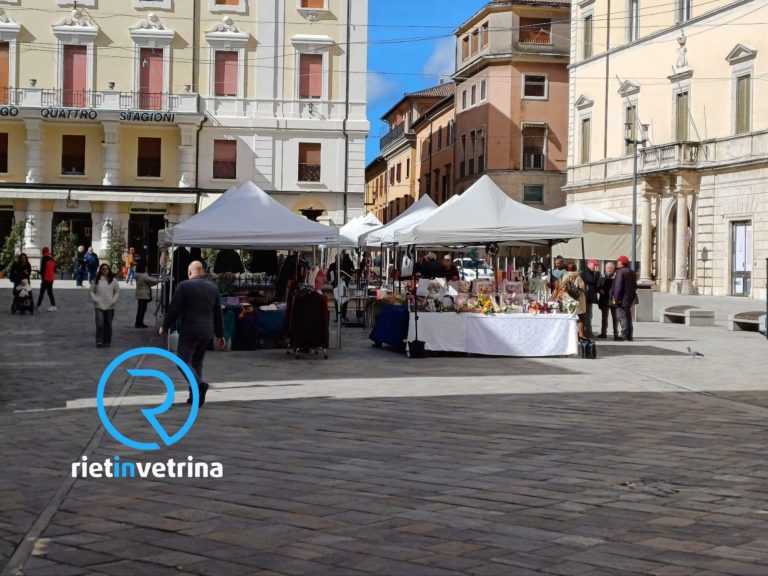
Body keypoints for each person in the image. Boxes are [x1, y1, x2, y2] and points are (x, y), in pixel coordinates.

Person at [160, 261, 225, 407]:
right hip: (207, 331)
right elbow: (218, 313)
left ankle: (199, 386)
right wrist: (220, 335)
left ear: (189, 272)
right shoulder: (213, 287)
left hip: (190, 329)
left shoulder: (184, 286)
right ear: (202, 272)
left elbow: (174, 309)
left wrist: (165, 326)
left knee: (182, 362)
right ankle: (194, 397)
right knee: (197, 362)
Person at [90, 263, 120, 348]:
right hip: (99, 305)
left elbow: (117, 291)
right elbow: (91, 290)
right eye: (103, 269)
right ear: (100, 270)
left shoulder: (113, 280)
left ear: (109, 270)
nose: (105, 270)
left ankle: (107, 341)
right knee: (100, 324)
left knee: (108, 324)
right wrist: (95, 299)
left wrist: (114, 300)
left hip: (110, 305)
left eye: (106, 268)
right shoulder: (96, 280)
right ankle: (99, 341)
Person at [610, 255, 638, 341]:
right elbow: (635, 286)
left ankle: (624, 335)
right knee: (628, 317)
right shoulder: (632, 272)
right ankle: (630, 335)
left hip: (621, 299)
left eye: (618, 261)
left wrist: (616, 299)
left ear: (622, 263)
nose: (617, 263)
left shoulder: (620, 272)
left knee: (622, 317)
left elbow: (618, 286)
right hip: (630, 298)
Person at [560, 262, 587, 341]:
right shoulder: (578, 276)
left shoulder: (564, 276)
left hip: (567, 299)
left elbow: (561, 287)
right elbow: (582, 287)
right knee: (580, 318)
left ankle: (568, 336)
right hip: (578, 299)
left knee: (568, 317)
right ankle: (581, 335)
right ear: (575, 268)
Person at [134, 262, 159, 328]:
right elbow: (151, 280)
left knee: (141, 310)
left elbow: (149, 283)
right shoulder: (143, 275)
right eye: (146, 267)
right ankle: (139, 323)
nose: (147, 268)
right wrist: (160, 280)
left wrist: (156, 282)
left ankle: (139, 322)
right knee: (141, 310)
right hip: (143, 295)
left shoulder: (140, 275)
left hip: (141, 295)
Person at [597, 261, 618, 340]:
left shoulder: (616, 277)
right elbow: (598, 285)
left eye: (611, 268)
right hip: (604, 299)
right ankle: (603, 333)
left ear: (613, 269)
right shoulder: (602, 276)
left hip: (613, 300)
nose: (609, 269)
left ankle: (616, 334)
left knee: (615, 318)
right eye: (608, 268)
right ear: (605, 268)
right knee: (604, 318)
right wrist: (600, 290)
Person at [583, 259, 601, 338]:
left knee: (589, 315)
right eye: (595, 265)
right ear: (589, 264)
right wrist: (597, 273)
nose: (596, 267)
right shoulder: (586, 272)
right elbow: (593, 281)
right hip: (586, 297)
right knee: (587, 315)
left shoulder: (590, 272)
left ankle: (588, 331)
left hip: (588, 296)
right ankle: (588, 332)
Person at [36, 247, 57, 312]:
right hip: (51, 278)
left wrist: (38, 272)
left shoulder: (43, 259)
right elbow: (55, 270)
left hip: (45, 278)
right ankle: (53, 305)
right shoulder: (52, 259)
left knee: (42, 292)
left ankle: (38, 306)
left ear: (43, 252)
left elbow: (42, 270)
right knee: (50, 293)